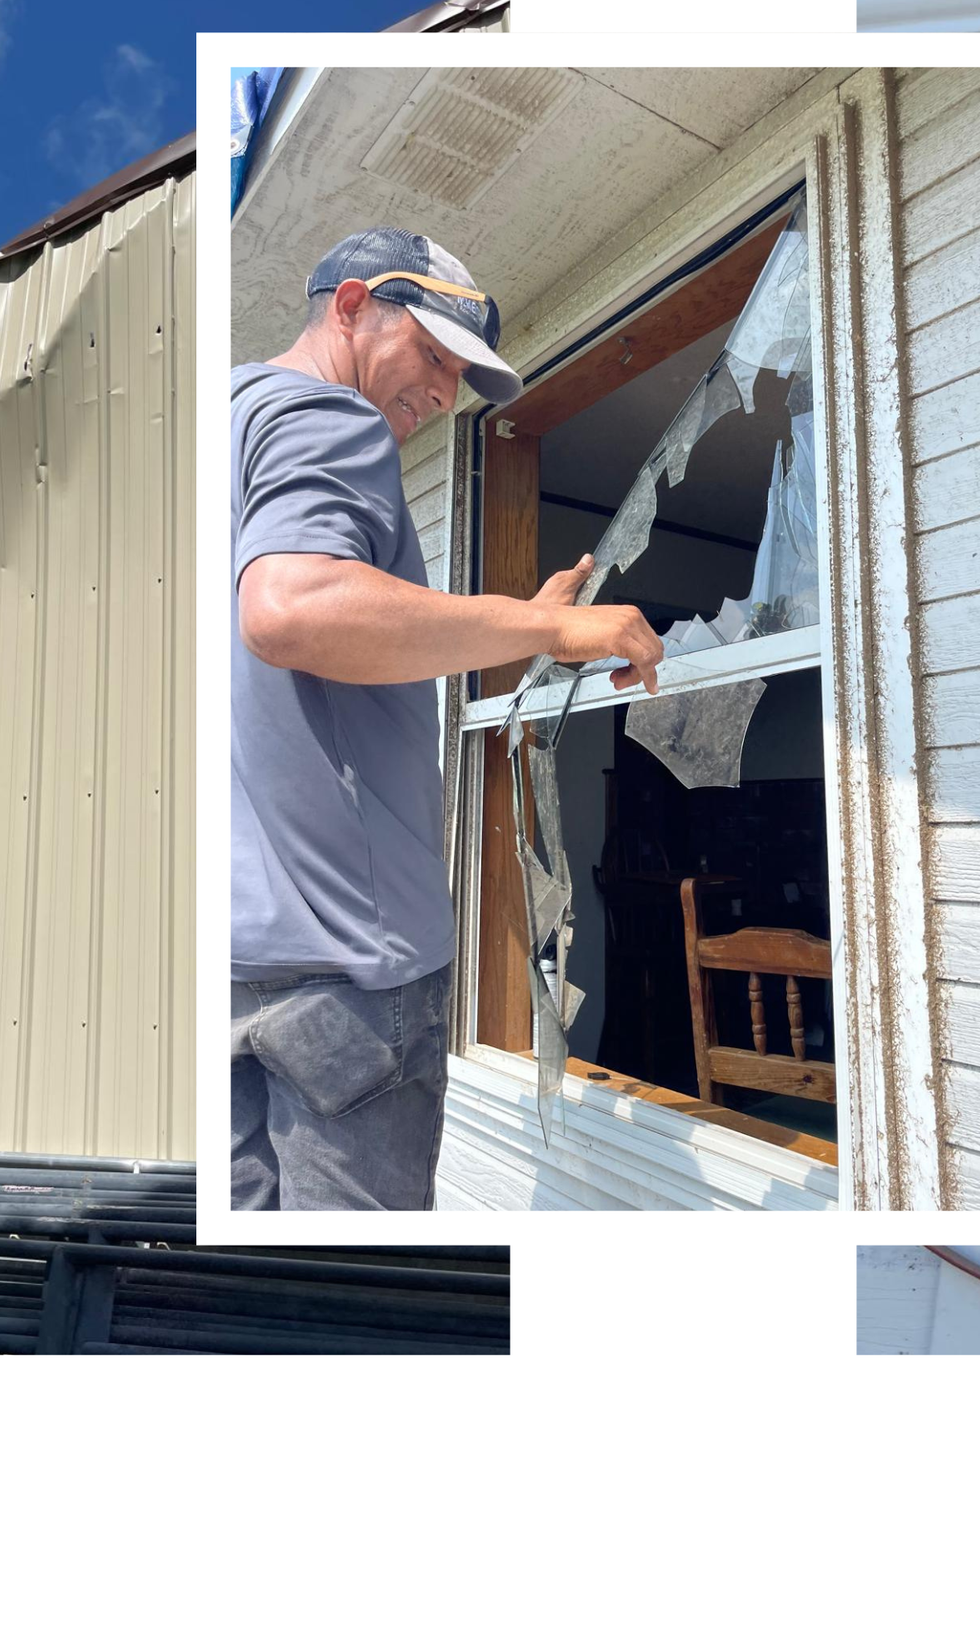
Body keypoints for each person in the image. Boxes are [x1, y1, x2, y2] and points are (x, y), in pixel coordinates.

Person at [229, 227, 663, 1208]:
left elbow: (324, 661)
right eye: (428, 351)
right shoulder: (329, 418)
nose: (441, 393)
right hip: (344, 967)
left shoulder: (225, 428)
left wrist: (521, 629)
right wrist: (546, 623)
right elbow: (293, 609)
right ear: (348, 306)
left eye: (461, 374)